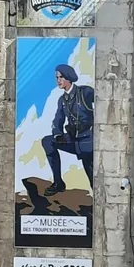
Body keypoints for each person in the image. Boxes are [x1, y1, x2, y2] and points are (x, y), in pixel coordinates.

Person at [41, 63, 94, 196]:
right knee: (47, 141)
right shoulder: (62, 100)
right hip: (73, 140)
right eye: (57, 77)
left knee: (91, 173)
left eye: (61, 77)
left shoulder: (85, 92)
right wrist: (58, 134)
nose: (58, 80)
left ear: (69, 78)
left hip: (88, 141)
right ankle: (58, 183)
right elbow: (58, 119)